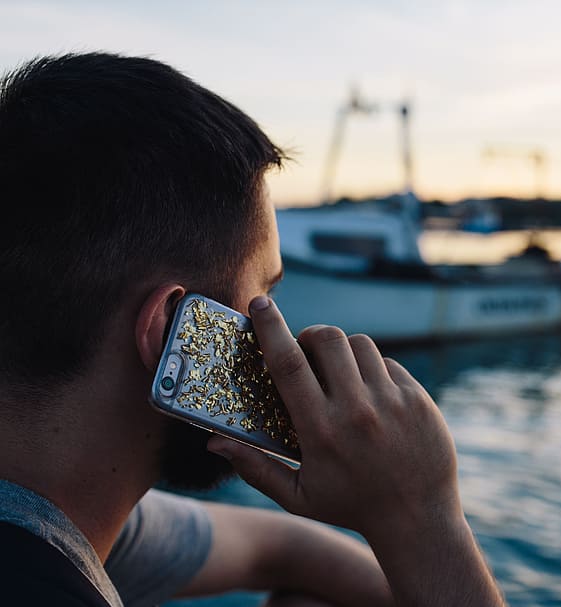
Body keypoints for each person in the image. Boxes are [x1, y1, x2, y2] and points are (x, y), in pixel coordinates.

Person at [0, 52, 505, 607]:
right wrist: (427, 519)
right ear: (173, 328)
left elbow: (283, 550)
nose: (280, 338)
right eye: (263, 298)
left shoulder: (58, 522)